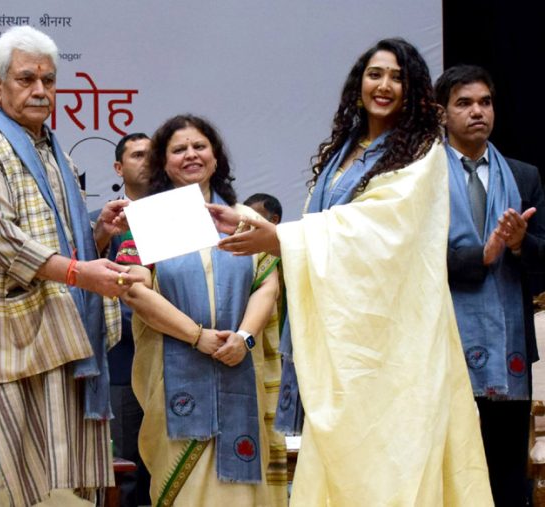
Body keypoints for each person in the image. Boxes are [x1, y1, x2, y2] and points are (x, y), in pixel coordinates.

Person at [207, 38, 493, 505]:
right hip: (347, 340)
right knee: (343, 459)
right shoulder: (345, 150)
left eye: (397, 77)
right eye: (375, 73)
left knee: (391, 459)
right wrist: (268, 232)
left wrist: (280, 238)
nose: (384, 85)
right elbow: (329, 231)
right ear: (358, 81)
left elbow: (377, 231)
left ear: (414, 89)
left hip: (397, 343)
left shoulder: (423, 151)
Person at [0, 26, 141, 506]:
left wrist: (95, 235)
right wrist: (81, 273)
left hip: (59, 341)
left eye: (49, 81)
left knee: (60, 489)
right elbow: (8, 245)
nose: (40, 90)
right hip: (6, 349)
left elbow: (54, 241)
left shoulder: (52, 151)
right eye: (26, 79)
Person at [122, 114, 287, 506]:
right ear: (163, 162)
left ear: (216, 157)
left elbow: (268, 284)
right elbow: (134, 292)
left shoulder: (242, 219)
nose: (190, 155)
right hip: (174, 377)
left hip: (239, 369)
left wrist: (245, 338)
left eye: (200, 146)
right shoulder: (149, 220)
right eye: (178, 149)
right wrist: (198, 338)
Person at [435, 64, 545, 506]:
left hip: (509, 348)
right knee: (447, 464)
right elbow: (408, 259)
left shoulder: (523, 176)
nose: (477, 111)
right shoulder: (420, 177)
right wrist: (476, 258)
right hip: (440, 341)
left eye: (485, 102)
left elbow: (543, 255)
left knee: (504, 468)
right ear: (442, 114)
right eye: (464, 103)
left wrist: (520, 244)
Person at [92, 132, 152, 507]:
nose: (146, 161)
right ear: (119, 167)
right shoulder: (104, 221)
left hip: (173, 355)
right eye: (137, 155)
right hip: (122, 360)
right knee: (126, 469)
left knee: (166, 463)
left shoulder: (179, 215)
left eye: (152, 154)